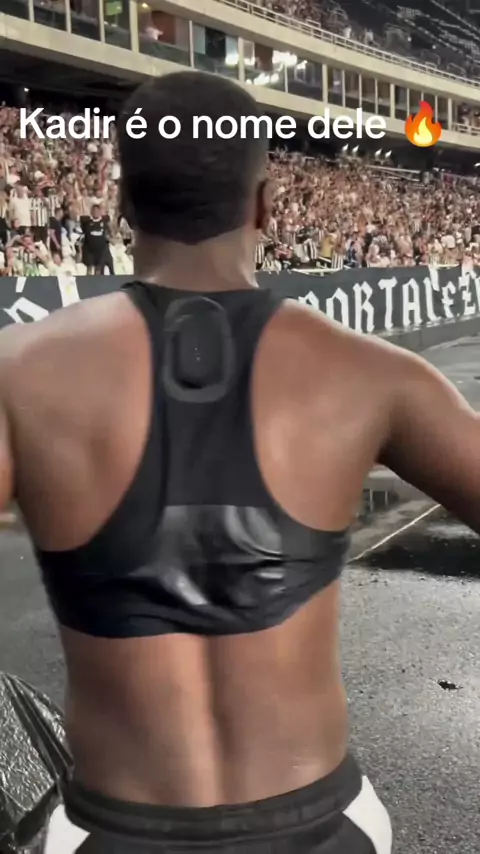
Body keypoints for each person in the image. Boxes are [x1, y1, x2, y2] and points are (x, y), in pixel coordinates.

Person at [1, 71, 480, 854]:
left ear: (122, 203)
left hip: (113, 830)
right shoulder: (371, 374)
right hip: (324, 828)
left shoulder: (19, 372)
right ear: (263, 205)